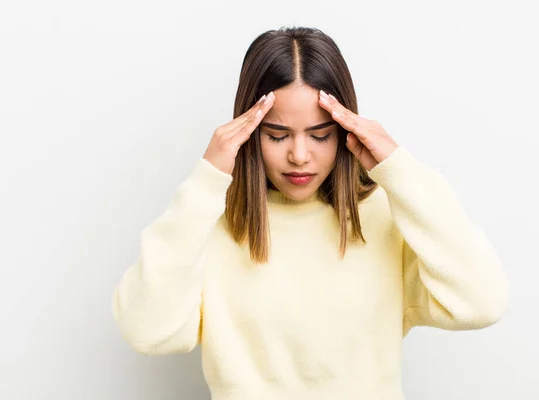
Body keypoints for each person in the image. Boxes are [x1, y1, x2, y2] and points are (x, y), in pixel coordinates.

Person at [112, 26, 510, 399]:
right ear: (249, 131)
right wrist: (206, 181)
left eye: (320, 135)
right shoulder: (207, 223)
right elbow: (149, 331)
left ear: (344, 129)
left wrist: (399, 169)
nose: (299, 156)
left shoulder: (383, 216)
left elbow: (481, 302)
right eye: (277, 135)